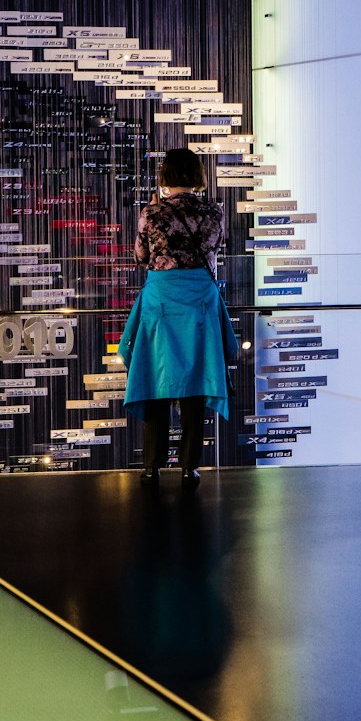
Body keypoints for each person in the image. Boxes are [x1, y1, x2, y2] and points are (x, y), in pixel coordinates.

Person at [118, 147, 238, 485]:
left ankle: (151, 466)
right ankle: (189, 466)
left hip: (162, 301)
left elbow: (141, 256)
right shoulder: (213, 212)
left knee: (156, 377)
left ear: (165, 176)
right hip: (200, 299)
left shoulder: (152, 212)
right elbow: (217, 249)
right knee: (196, 381)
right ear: (197, 175)